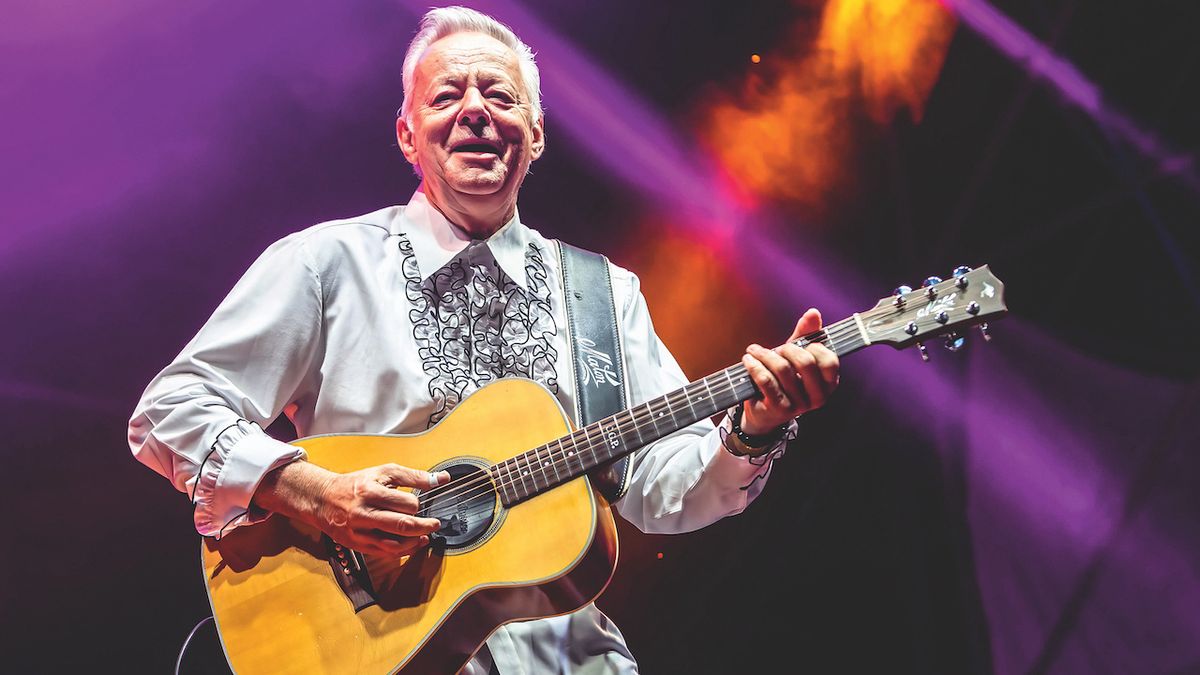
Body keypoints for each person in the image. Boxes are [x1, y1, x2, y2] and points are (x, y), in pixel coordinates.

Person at [128, 6, 840, 673]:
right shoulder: (327, 263)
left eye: (499, 96)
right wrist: (311, 490)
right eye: (447, 97)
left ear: (534, 133)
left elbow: (658, 486)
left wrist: (752, 429)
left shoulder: (602, 293)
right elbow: (170, 410)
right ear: (408, 134)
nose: (474, 110)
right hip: (377, 647)